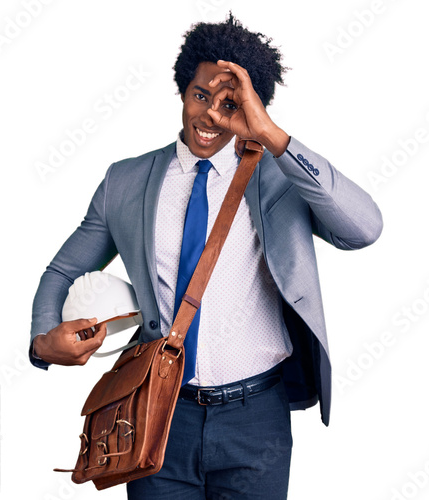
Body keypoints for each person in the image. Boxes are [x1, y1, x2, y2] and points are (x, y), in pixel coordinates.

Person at [29, 13, 383, 499]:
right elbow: (64, 270)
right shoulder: (126, 181)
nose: (211, 115)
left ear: (252, 106)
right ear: (182, 91)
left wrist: (272, 135)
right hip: (157, 411)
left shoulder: (281, 175)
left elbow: (364, 229)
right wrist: (42, 340)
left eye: (230, 103)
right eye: (201, 95)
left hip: (256, 419)